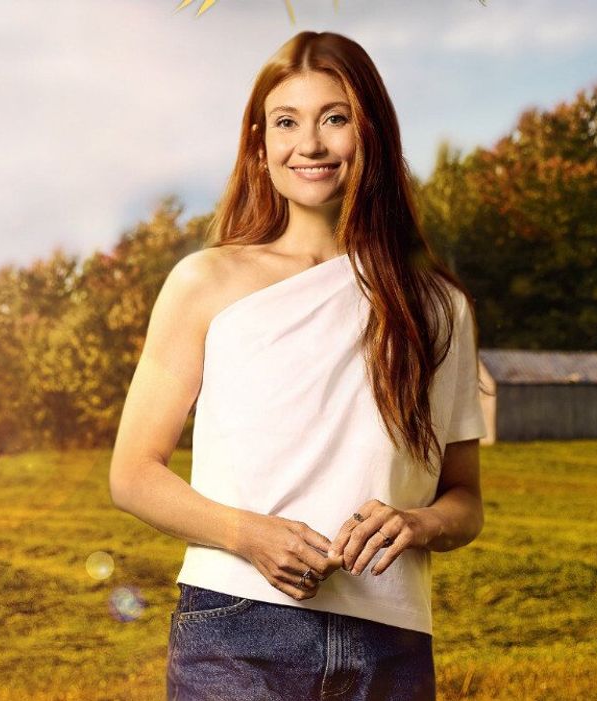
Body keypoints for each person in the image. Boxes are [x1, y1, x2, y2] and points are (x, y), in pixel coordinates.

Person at [108, 32, 484, 699]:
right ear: (259, 143)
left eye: (333, 118)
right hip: (235, 628)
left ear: (370, 132)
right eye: (287, 122)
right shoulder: (205, 282)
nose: (308, 144)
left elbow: (464, 499)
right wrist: (246, 534)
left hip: (390, 639)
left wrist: (418, 522)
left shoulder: (438, 305)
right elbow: (133, 473)